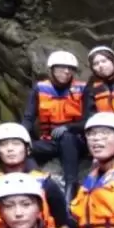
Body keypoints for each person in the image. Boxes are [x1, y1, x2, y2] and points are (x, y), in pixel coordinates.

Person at [0, 123, 69, 228]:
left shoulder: (46, 184)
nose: (10, 149)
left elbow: (63, 222)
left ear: (28, 149)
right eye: (3, 145)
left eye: (16, 144)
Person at [21, 50, 86, 200]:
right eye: (61, 68)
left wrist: (69, 128)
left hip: (76, 140)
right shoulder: (39, 89)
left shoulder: (82, 89)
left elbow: (90, 118)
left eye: (70, 68)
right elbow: (29, 118)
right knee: (24, 149)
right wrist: (20, 137)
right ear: (51, 70)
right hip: (50, 141)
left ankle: (71, 187)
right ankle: (36, 179)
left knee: (68, 138)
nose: (66, 71)